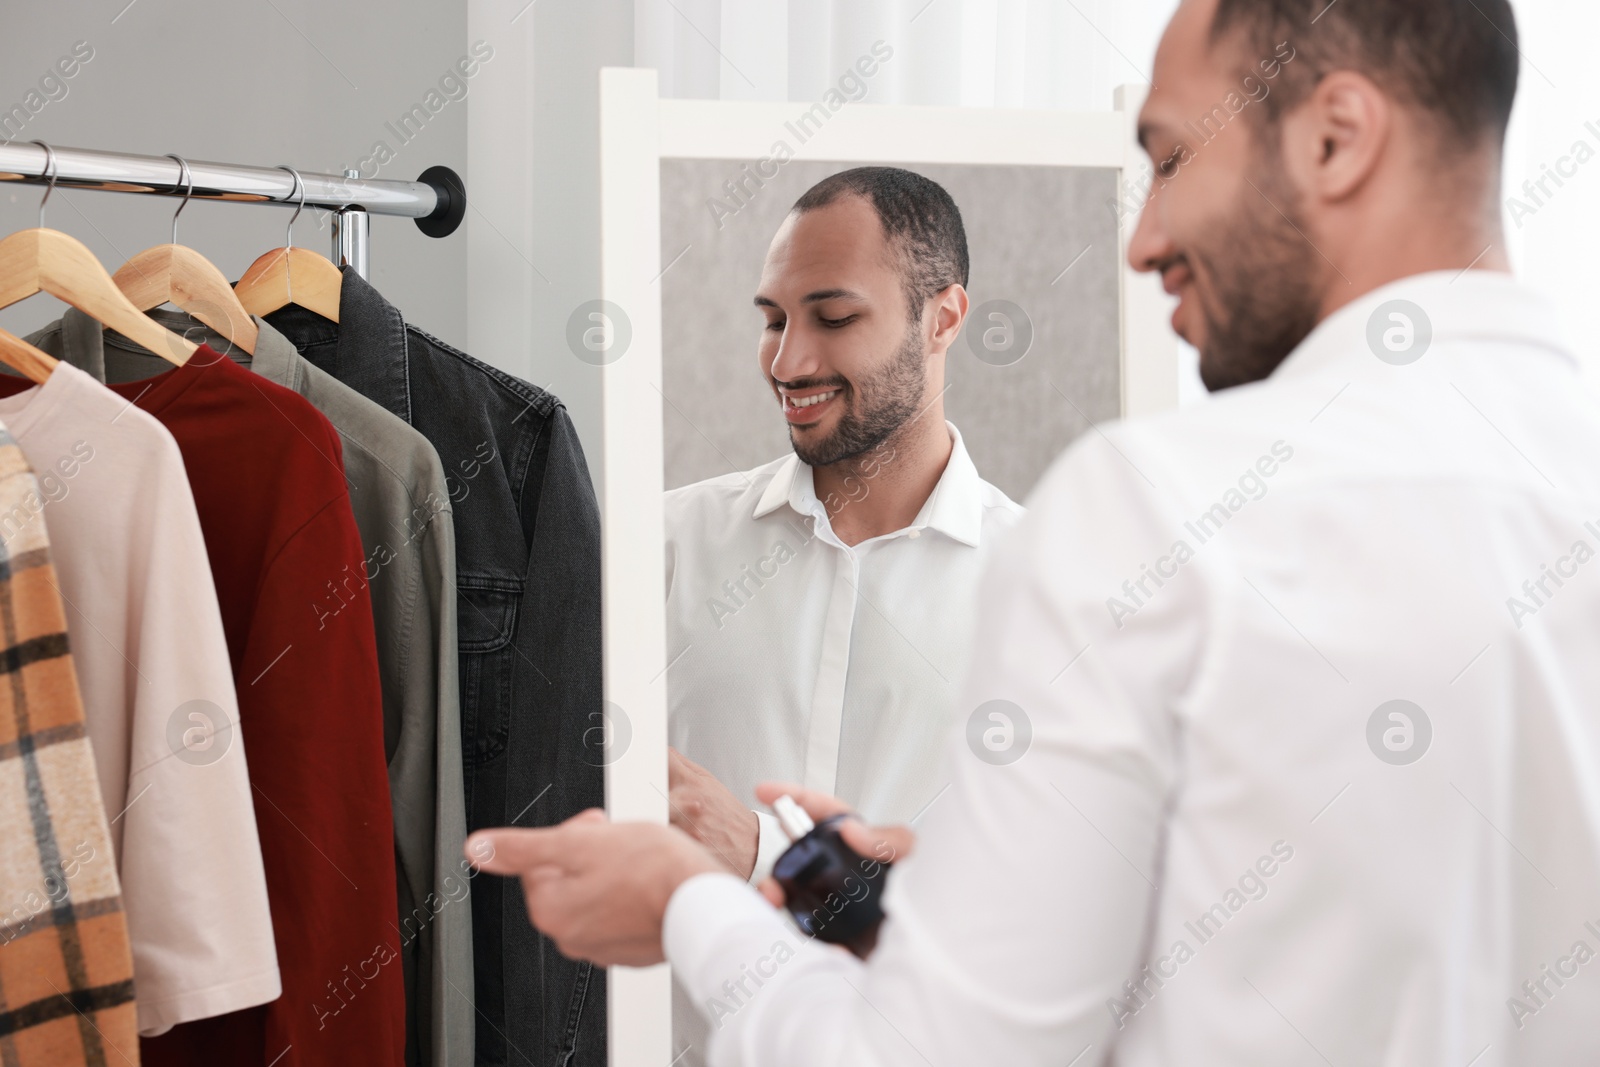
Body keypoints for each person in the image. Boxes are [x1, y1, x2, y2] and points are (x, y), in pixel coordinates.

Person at [471, 0, 1600, 1063]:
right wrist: (882, 896)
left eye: (1169, 159)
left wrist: (687, 906)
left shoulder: (1155, 513)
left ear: (1335, 138)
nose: (1142, 239)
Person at [662, 167, 1023, 886]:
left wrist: (767, 856)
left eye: (833, 319)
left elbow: (1044, 899)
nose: (787, 361)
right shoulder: (667, 545)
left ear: (943, 318)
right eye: (773, 319)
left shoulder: (1044, 583)